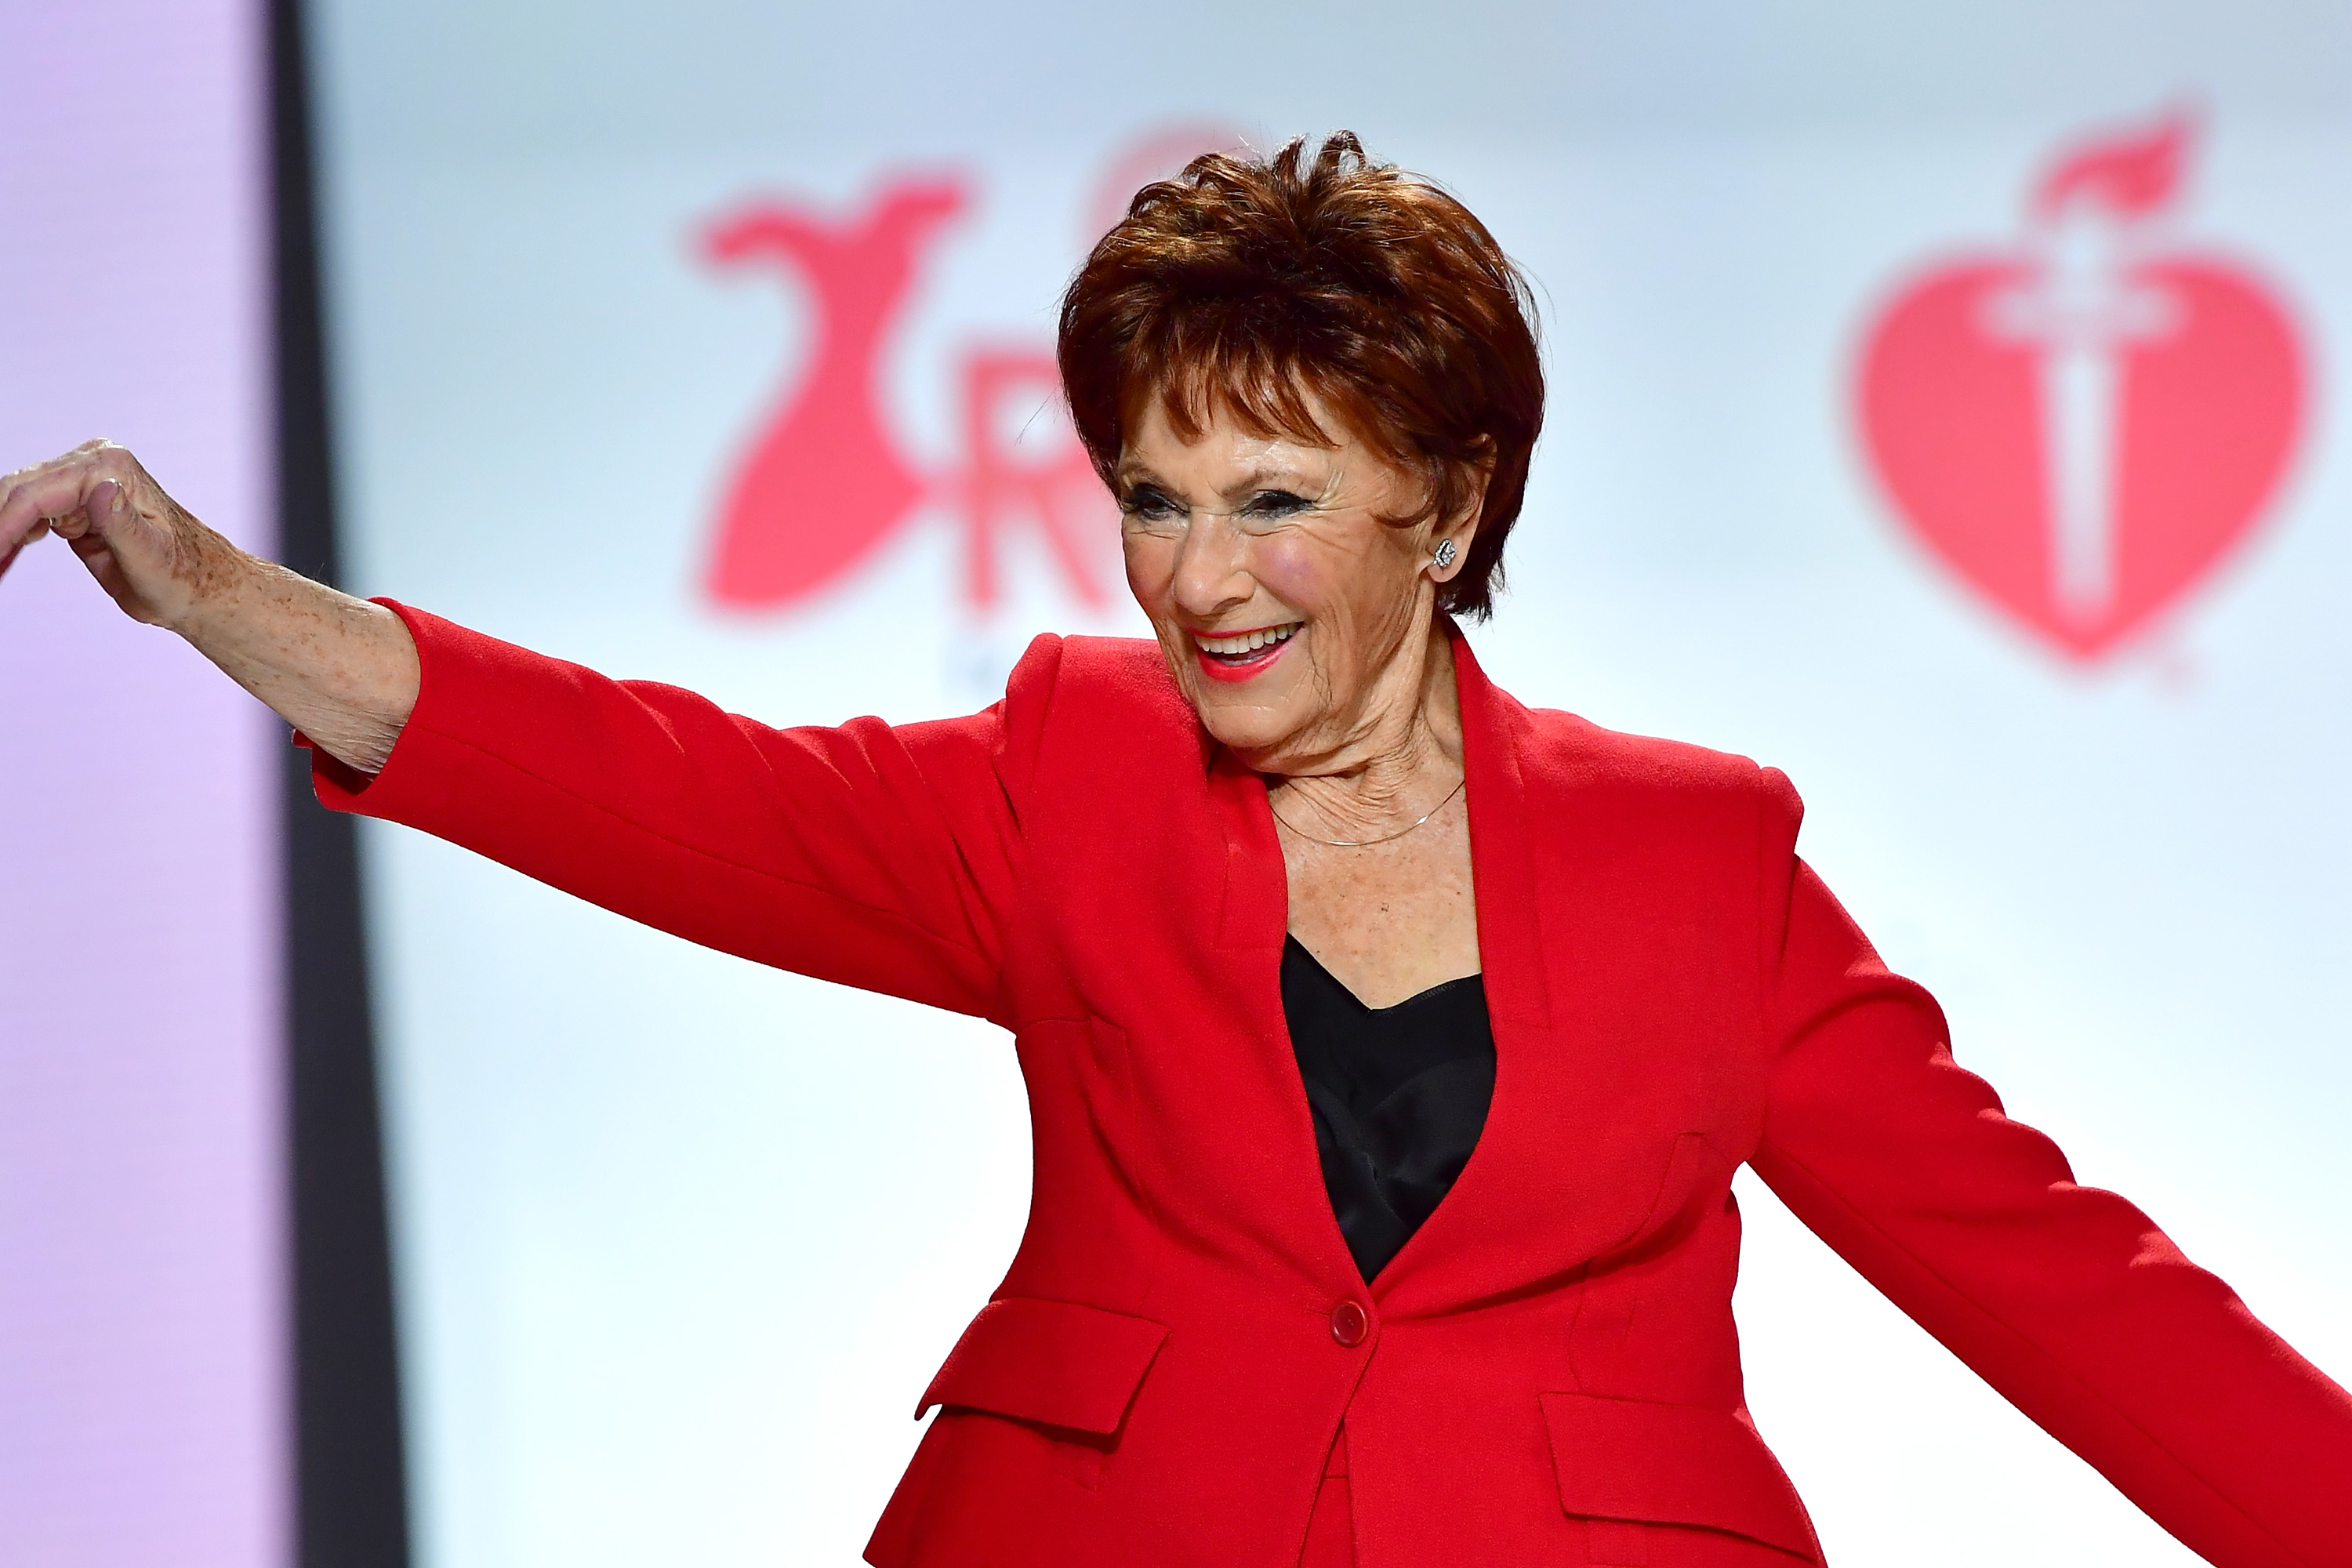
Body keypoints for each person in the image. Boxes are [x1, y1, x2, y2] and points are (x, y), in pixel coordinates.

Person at [4, 132, 2347, 1568]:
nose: (1198, 574)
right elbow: (654, 787)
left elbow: (2064, 1287)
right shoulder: (1065, 773)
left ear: (1446, 504)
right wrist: (212, 591)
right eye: (1152, 496)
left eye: (1274, 500)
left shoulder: (1699, 864)